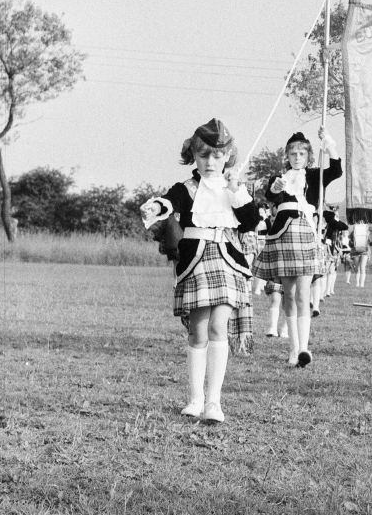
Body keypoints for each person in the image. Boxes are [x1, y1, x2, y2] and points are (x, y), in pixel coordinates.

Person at [140, 118, 261, 424]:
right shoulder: (187, 188)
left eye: (217, 155)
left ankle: (214, 402)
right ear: (193, 155)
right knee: (198, 330)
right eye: (203, 155)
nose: (210, 162)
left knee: (219, 326)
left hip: (227, 262)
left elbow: (250, 222)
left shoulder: (235, 187)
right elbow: (168, 201)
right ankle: (194, 399)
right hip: (195, 262)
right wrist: (154, 207)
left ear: (227, 156)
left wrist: (236, 192)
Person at [253, 127, 342, 367]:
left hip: (305, 233)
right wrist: (276, 188)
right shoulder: (279, 178)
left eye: (302, 153)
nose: (297, 157)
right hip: (283, 235)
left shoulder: (315, 177)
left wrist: (329, 143)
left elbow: (336, 169)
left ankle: (304, 348)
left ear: (309, 155)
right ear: (287, 156)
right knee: (288, 295)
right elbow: (271, 195)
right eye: (293, 153)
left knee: (304, 294)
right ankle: (293, 350)